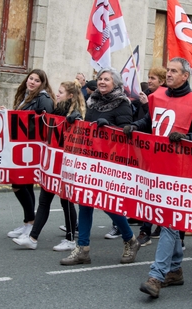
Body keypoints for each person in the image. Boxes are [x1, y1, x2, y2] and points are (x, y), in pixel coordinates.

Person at [125, 57, 192, 298]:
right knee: (168, 221)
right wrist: (134, 127)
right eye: (168, 70)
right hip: (158, 169)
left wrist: (186, 138)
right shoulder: (157, 96)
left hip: (183, 174)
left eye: (174, 71)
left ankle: (156, 275)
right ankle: (175, 269)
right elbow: (149, 123)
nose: (169, 74)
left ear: (186, 76)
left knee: (168, 222)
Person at [60, 67, 140, 265]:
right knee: (85, 201)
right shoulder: (92, 100)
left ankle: (130, 239)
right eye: (100, 79)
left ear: (116, 83)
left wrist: (111, 128)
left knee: (107, 204)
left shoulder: (123, 104)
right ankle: (83, 249)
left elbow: (126, 133)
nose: (102, 82)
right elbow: (87, 126)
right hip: (89, 160)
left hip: (111, 163)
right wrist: (75, 120)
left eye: (107, 79)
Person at [13, 80, 85, 251]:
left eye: (61, 92)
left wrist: (77, 122)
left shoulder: (77, 113)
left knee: (66, 202)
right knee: (44, 200)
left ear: (71, 95)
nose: (57, 94)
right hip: (52, 164)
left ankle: (70, 239)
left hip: (66, 165)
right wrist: (41, 115)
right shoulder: (57, 110)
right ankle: (33, 238)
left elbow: (80, 139)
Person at [5, 69, 55, 239]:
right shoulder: (25, 95)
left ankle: (30, 222)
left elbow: (46, 121)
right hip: (21, 145)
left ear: (43, 83)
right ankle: (28, 221)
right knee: (23, 184)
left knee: (19, 183)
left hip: (32, 147)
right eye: (31, 78)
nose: (32, 82)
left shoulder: (43, 98)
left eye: (37, 80)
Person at [133, 66, 167, 247]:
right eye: (149, 77)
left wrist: (147, 104)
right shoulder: (146, 94)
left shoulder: (164, 98)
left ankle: (154, 228)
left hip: (161, 151)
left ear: (162, 81)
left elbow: (156, 120)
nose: (149, 80)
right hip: (145, 147)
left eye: (153, 78)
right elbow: (144, 120)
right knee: (147, 190)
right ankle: (147, 228)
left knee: (159, 191)